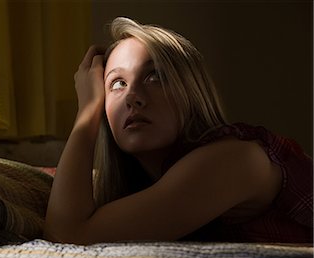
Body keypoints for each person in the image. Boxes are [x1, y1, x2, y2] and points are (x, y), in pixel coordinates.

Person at [43, 17, 313, 244]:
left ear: (192, 92)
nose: (132, 97)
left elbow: (67, 233)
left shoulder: (233, 159)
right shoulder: (148, 185)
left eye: (155, 76)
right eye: (117, 83)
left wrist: (87, 111)